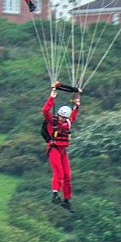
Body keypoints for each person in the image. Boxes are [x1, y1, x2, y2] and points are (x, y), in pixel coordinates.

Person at [42, 82, 81, 211]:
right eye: (60, 117)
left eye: (64, 118)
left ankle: (66, 199)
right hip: (53, 148)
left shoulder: (68, 122)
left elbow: (74, 114)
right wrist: (52, 97)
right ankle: (55, 195)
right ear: (58, 114)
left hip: (63, 150)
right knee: (58, 171)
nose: (61, 119)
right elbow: (45, 111)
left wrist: (76, 105)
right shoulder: (52, 121)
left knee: (67, 175)